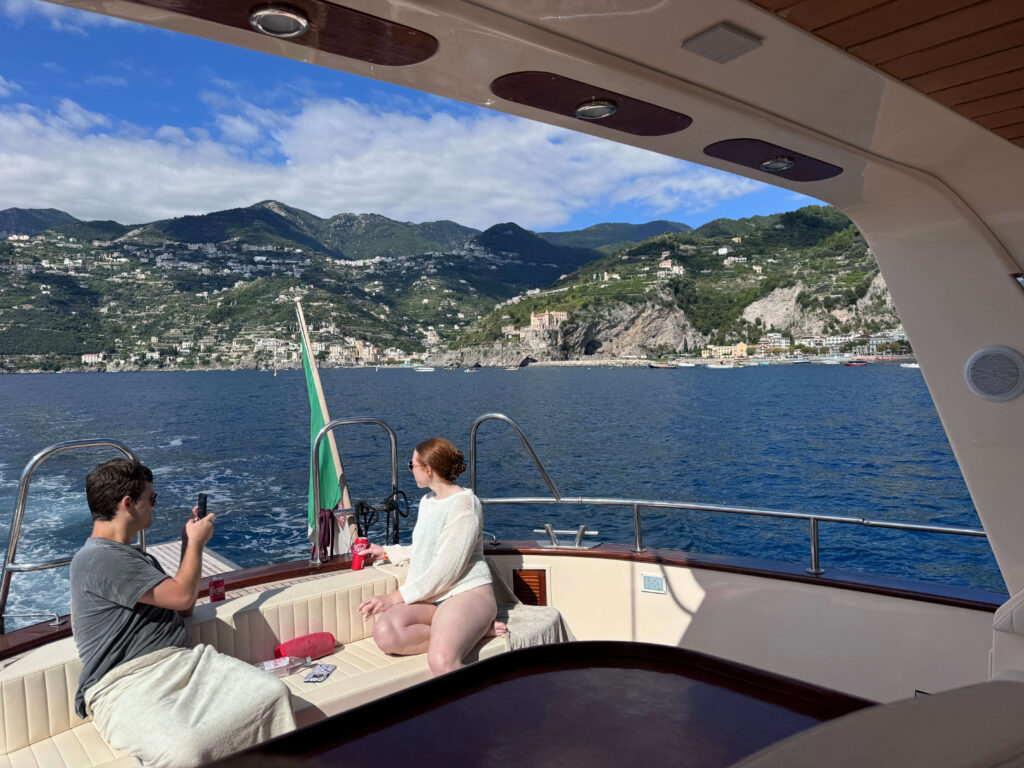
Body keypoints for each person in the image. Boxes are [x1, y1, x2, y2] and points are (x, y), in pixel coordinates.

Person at [70, 458, 295, 768]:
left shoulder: (137, 557)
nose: (154, 506)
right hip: (124, 683)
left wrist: (188, 542)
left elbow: (184, 605)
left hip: (180, 662)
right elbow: (182, 594)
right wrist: (197, 546)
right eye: (152, 499)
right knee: (185, 751)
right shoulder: (97, 558)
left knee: (273, 694)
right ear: (127, 504)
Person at [358, 437, 507, 675]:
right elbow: (425, 549)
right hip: (433, 595)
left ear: (429, 469)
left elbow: (447, 568)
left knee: (440, 662)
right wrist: (386, 552)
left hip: (464, 593)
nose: (410, 470)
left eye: (412, 465)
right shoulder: (428, 502)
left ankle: (477, 706)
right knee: (386, 634)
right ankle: (469, 631)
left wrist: (394, 597)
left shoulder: (465, 505)